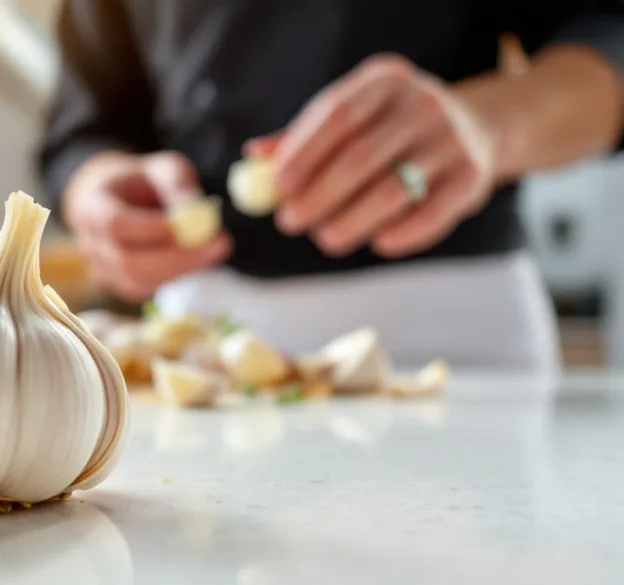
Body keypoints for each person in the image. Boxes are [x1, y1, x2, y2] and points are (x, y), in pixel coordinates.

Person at [39, 0, 624, 373]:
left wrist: (489, 125)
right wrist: (97, 191)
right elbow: (83, 126)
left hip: (449, 329)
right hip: (202, 341)